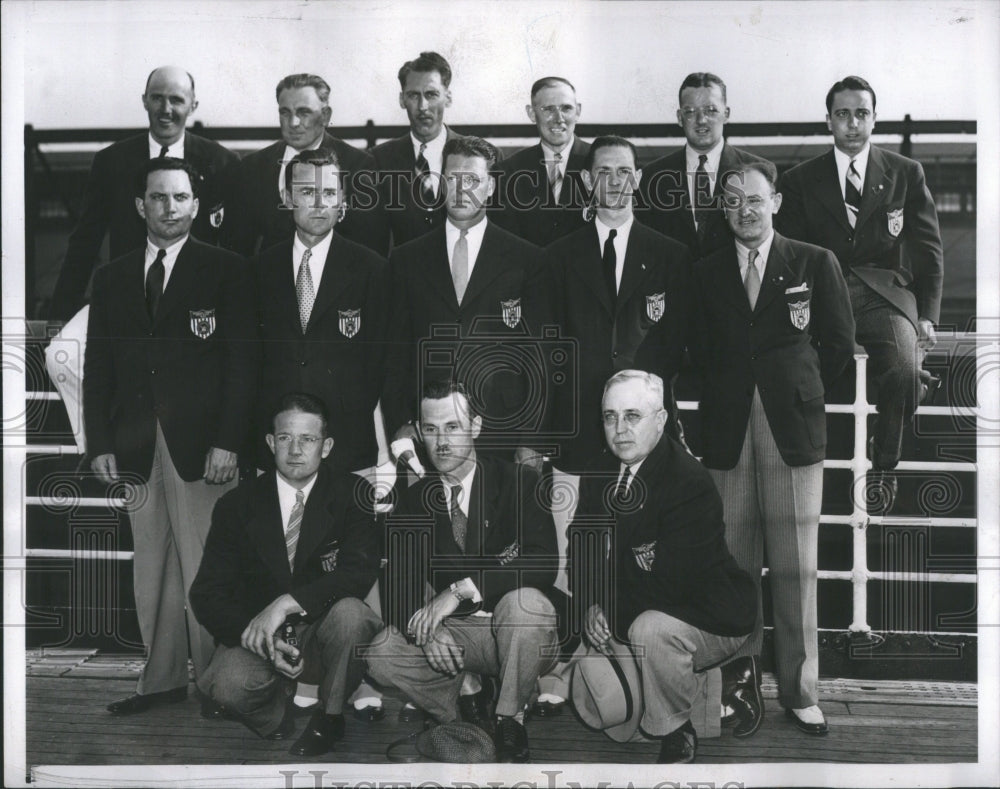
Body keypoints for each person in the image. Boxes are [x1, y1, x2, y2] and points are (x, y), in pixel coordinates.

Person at [83, 157, 256, 715]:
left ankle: (215, 683)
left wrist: (230, 439)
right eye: (158, 198)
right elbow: (99, 366)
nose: (170, 208)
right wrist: (100, 442)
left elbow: (242, 364)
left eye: (180, 197)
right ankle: (158, 682)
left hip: (205, 449)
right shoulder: (113, 276)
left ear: (196, 205)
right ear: (141, 206)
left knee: (208, 565)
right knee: (150, 565)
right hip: (137, 444)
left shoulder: (227, 269)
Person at [690, 161, 855, 738]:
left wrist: (796, 391)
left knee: (796, 567)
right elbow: (696, 351)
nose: (744, 210)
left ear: (776, 201)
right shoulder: (706, 272)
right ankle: (738, 686)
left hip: (792, 429)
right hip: (726, 431)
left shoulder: (815, 261)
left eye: (755, 200)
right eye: (732, 202)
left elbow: (836, 346)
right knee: (734, 565)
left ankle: (800, 689)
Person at [538, 138, 691, 717]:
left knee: (630, 550)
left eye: (625, 172)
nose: (616, 182)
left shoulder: (669, 254)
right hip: (576, 433)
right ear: (586, 183)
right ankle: (558, 667)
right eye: (603, 173)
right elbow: (545, 348)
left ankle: (619, 667)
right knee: (565, 553)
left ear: (638, 179)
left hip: (639, 440)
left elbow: (676, 346)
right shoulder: (558, 255)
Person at [366, 380, 564, 763]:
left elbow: (542, 561)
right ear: (419, 432)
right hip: (459, 639)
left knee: (526, 604)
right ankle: (466, 708)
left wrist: (458, 590)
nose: (441, 440)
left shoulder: (518, 481)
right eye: (431, 428)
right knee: (379, 653)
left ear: (476, 426)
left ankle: (509, 720)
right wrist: (427, 632)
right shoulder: (411, 500)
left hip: (520, 632)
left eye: (453, 427)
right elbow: (400, 582)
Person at [567, 370, 755, 762]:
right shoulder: (599, 470)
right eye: (609, 417)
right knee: (620, 673)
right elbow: (581, 547)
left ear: (661, 420)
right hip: (640, 602)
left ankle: (677, 730)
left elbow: (674, 584)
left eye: (632, 416)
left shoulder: (687, 481)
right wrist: (589, 605)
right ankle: (696, 689)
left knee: (649, 630)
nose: (619, 429)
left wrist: (610, 611)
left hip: (707, 612)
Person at [776, 75, 944, 506]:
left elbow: (928, 249)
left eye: (861, 114)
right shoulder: (798, 179)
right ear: (829, 120)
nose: (852, 123)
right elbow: (790, 253)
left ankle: (885, 464)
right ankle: (811, 477)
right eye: (843, 114)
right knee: (808, 376)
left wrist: (927, 314)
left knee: (903, 369)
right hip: (821, 296)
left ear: (874, 119)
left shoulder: (906, 173)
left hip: (883, 296)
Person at [190, 393, 383, 755]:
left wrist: (286, 603)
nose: (295, 449)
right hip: (265, 634)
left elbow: (357, 572)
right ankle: (276, 715)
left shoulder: (352, 493)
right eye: (284, 438)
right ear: (270, 442)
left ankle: (330, 716)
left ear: (326, 447)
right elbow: (206, 594)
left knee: (354, 616)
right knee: (223, 686)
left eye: (307, 439)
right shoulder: (236, 504)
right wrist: (258, 636)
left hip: (322, 633)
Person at [382, 135, 547, 466]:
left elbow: (539, 357)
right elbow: (394, 351)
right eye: (452, 179)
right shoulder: (405, 259)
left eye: (472, 180)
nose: (460, 189)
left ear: (490, 187)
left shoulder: (527, 259)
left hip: (502, 430)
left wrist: (532, 440)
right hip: (428, 432)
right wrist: (401, 423)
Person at [48, 66, 239, 321]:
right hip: (128, 309)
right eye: (157, 97)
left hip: (198, 309)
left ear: (193, 106)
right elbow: (85, 243)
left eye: (177, 100)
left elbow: (235, 248)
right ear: (144, 100)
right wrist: (60, 317)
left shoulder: (222, 163)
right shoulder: (111, 162)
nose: (166, 109)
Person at [255, 147, 390, 476]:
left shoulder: (373, 270)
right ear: (287, 197)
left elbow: (382, 364)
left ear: (343, 199)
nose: (319, 203)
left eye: (329, 192)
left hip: (348, 445)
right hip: (276, 446)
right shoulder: (258, 270)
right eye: (307, 192)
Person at [224, 73, 388, 257]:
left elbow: (370, 248)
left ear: (326, 116)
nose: (293, 123)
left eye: (304, 113)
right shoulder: (251, 167)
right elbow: (236, 248)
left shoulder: (358, 165)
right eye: (285, 112)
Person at [637, 72, 770, 260]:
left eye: (711, 110)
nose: (701, 120)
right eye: (690, 112)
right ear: (679, 117)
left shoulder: (759, 173)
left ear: (727, 114)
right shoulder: (652, 176)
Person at [372, 51, 469, 249]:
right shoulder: (378, 161)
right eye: (413, 95)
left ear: (448, 98)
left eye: (431, 95)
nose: (423, 106)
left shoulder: (479, 156)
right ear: (402, 100)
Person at [495, 76, 591, 246]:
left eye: (566, 108)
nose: (558, 118)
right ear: (532, 113)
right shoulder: (508, 172)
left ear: (578, 111)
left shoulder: (599, 163)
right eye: (548, 109)